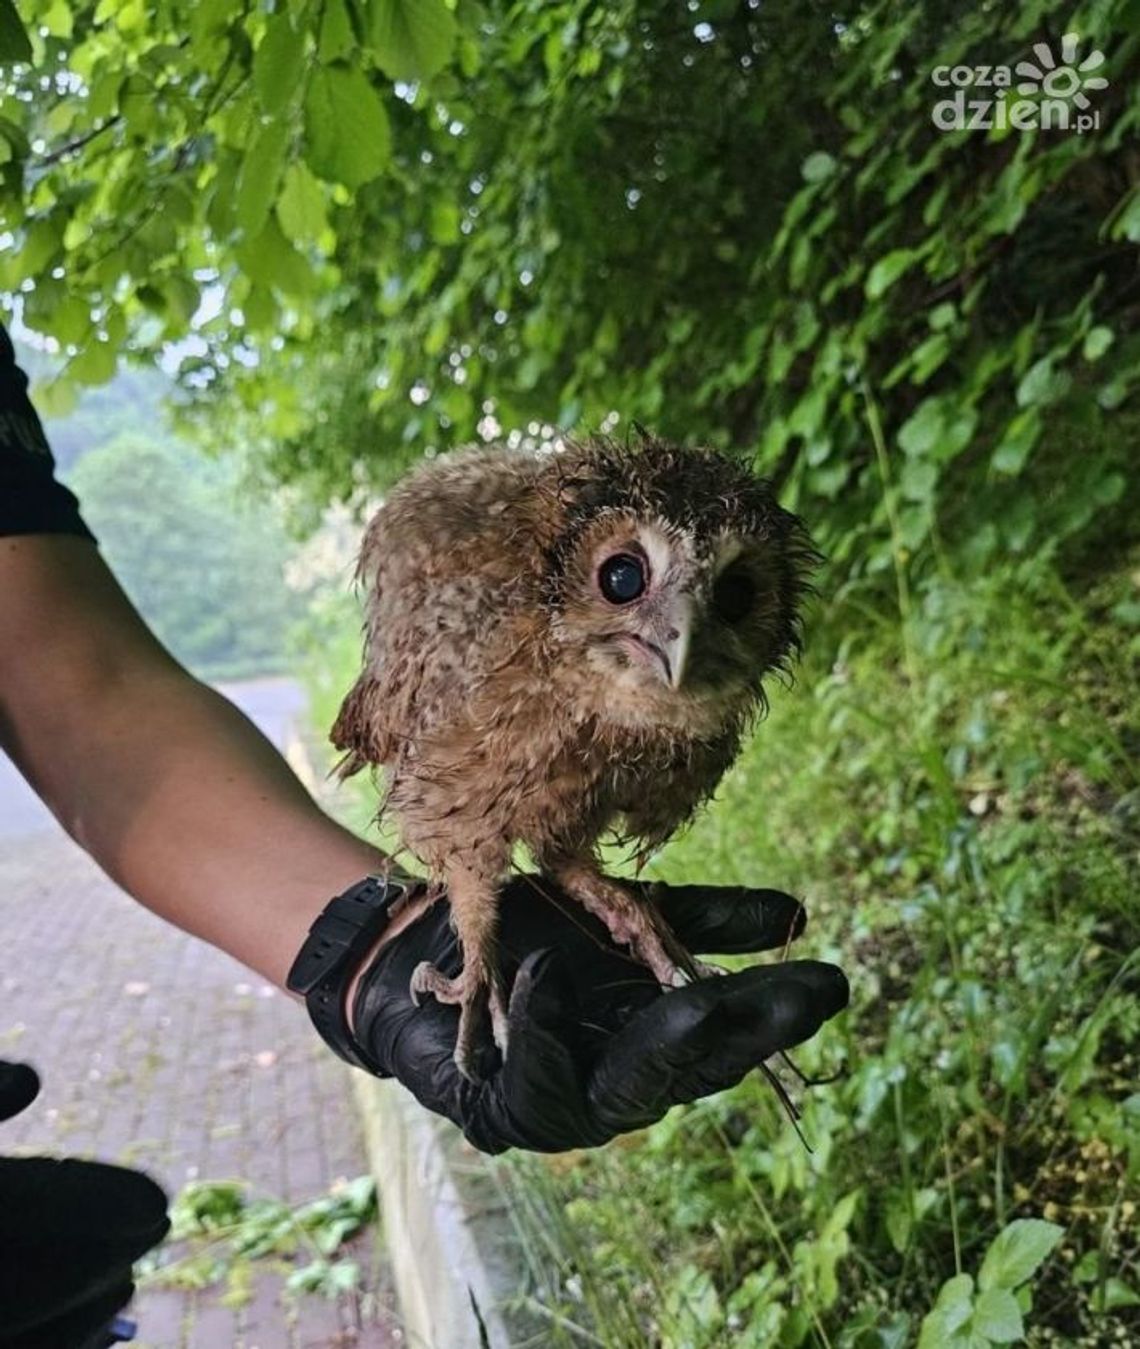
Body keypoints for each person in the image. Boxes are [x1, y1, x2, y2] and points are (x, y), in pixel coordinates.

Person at [0, 322, 848, 1344]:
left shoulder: (678, 699)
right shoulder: (496, 643)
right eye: (627, 578)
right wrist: (466, 908)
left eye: (736, 597)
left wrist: (383, 950)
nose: (677, 631)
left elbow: (83, 699)